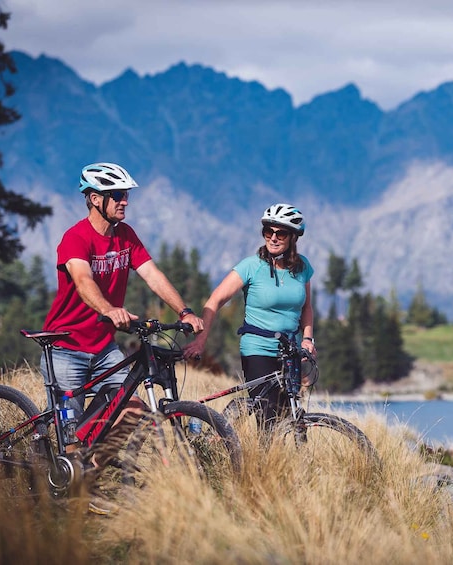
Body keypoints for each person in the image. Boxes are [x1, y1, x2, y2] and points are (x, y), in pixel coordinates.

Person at [42, 162, 204, 431]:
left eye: (126, 195)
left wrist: (184, 311)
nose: (125, 201)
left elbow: (152, 275)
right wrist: (108, 309)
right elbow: (83, 281)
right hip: (66, 348)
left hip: (103, 347)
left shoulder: (126, 236)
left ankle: (91, 469)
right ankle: (64, 463)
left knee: (131, 409)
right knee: (69, 437)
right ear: (95, 199)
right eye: (117, 195)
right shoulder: (75, 238)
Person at [183, 203, 315, 431]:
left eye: (280, 233)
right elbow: (214, 301)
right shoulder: (251, 266)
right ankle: (263, 462)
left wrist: (307, 339)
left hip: (290, 349)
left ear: (293, 237)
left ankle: (281, 457)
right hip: (257, 348)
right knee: (269, 418)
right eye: (268, 232)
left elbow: (307, 308)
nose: (273, 238)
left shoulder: (303, 267)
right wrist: (200, 341)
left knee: (291, 415)